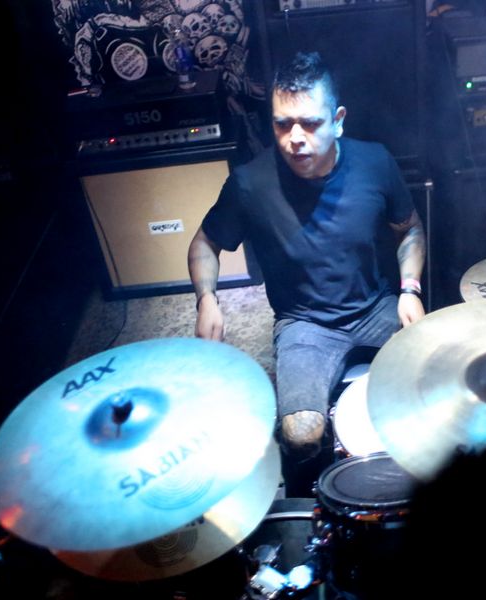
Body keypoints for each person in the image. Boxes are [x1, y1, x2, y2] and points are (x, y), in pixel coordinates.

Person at [187, 51, 426, 496]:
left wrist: (409, 288)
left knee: (439, 388)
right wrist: (207, 299)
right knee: (301, 436)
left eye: (310, 124)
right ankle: (306, 511)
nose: (294, 138)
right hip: (305, 324)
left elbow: (409, 229)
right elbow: (205, 243)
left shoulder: (375, 163)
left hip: (376, 308)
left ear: (338, 121)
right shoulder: (249, 183)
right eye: (282, 124)